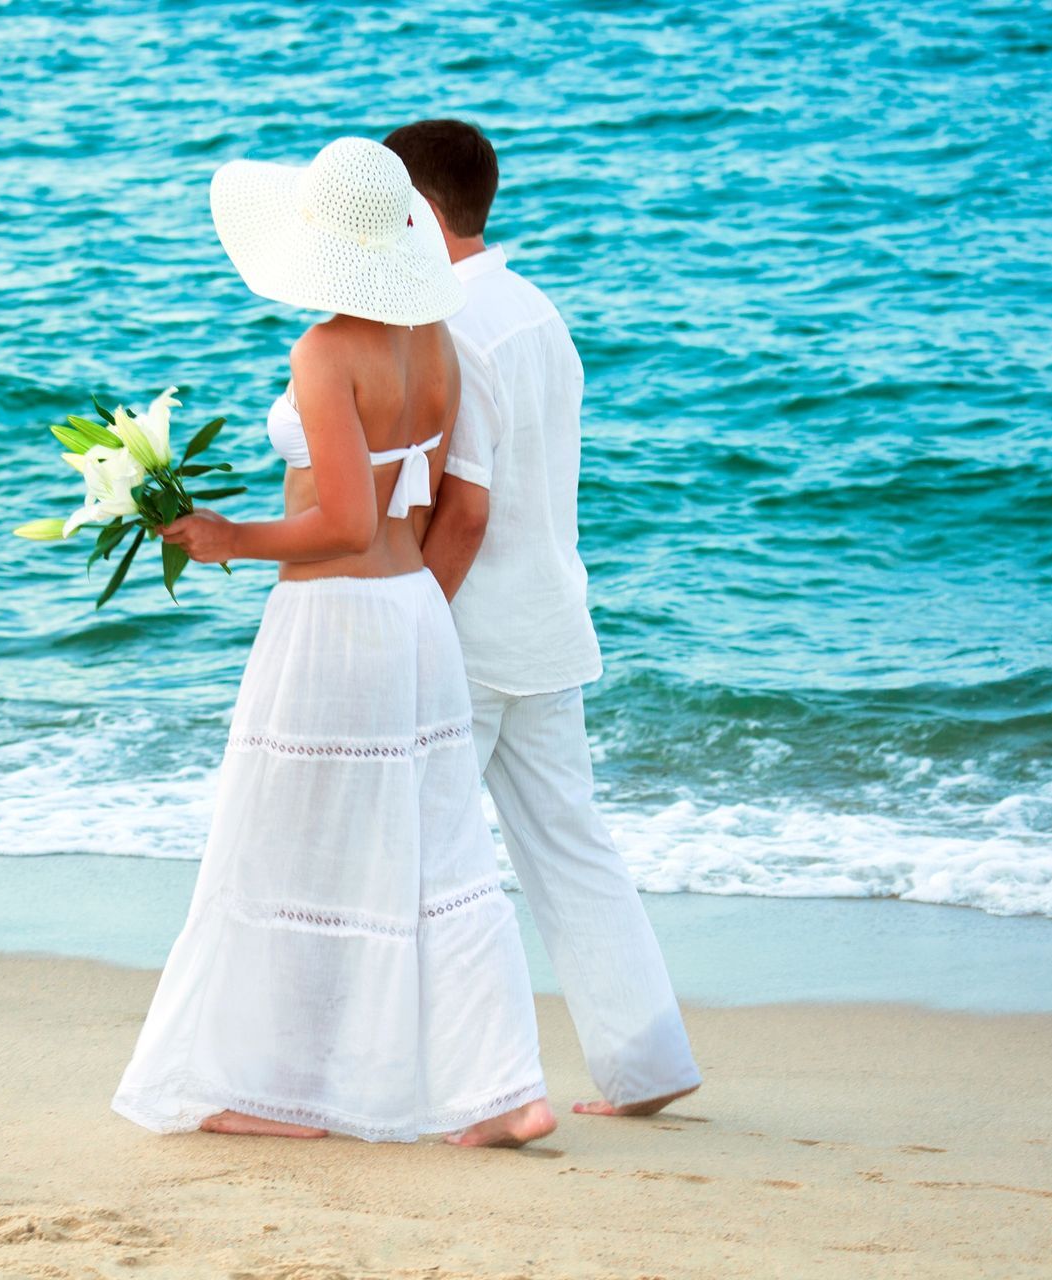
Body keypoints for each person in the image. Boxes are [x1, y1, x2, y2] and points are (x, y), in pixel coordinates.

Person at [111, 137, 557, 1148]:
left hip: (334, 618)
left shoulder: (324, 352)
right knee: (443, 856)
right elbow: (440, 502)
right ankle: (505, 1091)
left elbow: (346, 522)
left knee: (278, 844)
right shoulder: (437, 338)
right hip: (415, 619)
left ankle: (259, 1088)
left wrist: (230, 538)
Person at [384, 119, 703, 1117]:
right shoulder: (538, 311)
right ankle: (647, 1061)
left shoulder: (456, 326)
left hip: (475, 629)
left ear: (424, 213)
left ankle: (459, 1083)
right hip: (551, 617)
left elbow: (467, 508)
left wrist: (414, 619)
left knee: (422, 858)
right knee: (570, 843)